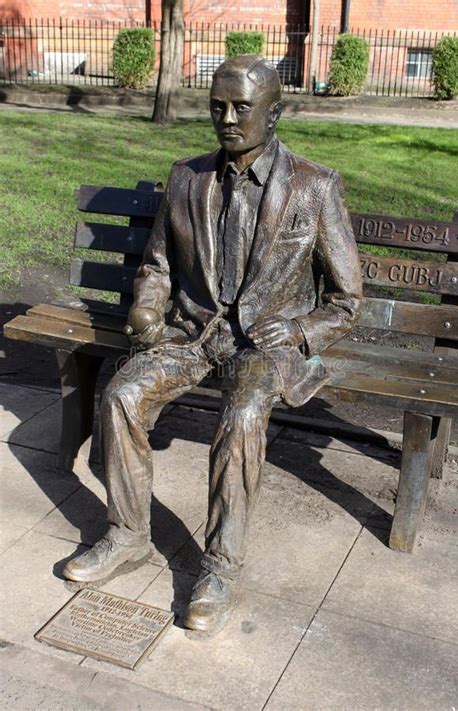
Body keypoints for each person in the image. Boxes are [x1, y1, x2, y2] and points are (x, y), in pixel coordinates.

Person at [63, 54, 362, 635]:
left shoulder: (315, 187)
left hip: (266, 345)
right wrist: (147, 307)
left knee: (244, 412)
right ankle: (127, 535)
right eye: (217, 107)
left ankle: (220, 566)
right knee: (122, 394)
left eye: (242, 108)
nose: (227, 119)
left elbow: (348, 302)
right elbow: (157, 265)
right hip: (194, 332)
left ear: (274, 114)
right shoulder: (186, 177)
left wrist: (300, 330)